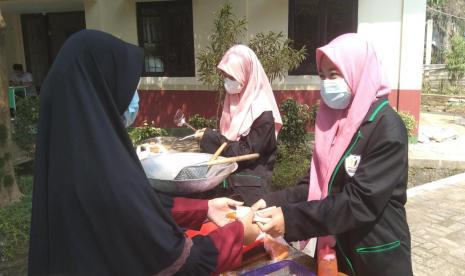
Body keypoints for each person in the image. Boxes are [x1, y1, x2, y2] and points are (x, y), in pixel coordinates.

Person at [28, 30, 260, 276]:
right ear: (104, 89)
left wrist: (205, 208)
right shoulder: (107, 175)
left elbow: (137, 209)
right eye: (130, 87)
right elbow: (180, 263)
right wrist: (237, 233)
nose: (135, 97)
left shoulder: (69, 159)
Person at [251, 33, 413, 276]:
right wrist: (271, 201)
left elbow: (359, 202)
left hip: (374, 255)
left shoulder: (387, 127)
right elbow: (316, 185)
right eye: (323, 76)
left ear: (357, 71)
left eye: (334, 75)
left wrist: (291, 219)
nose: (326, 83)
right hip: (334, 249)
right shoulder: (335, 123)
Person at [195, 44, 282, 206]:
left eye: (231, 76)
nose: (227, 81)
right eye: (225, 76)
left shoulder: (262, 112)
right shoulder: (233, 102)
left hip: (249, 191)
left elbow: (246, 151)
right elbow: (229, 138)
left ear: (246, 73)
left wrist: (210, 138)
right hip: (227, 184)